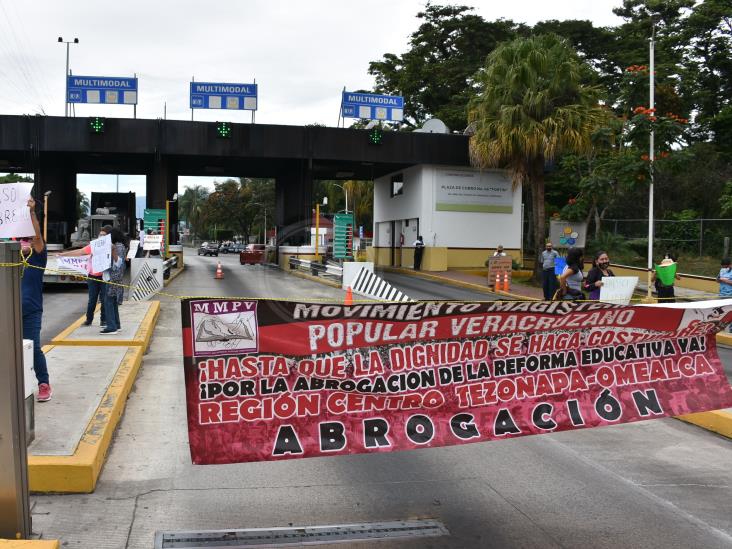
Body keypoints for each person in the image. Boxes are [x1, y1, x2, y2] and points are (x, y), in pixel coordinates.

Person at [20, 197, 52, 402]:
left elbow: (39, 236)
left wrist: (31, 213)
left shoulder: (38, 256)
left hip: (31, 310)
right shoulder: (8, 258)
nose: (26, 243)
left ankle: (43, 383)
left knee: (34, 347)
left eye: (29, 240)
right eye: (23, 240)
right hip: (7, 310)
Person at [58, 224, 113, 326]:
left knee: (104, 300)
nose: (101, 236)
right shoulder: (94, 246)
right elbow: (80, 252)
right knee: (92, 300)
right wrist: (64, 254)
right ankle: (89, 319)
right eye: (100, 235)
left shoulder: (110, 247)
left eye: (104, 235)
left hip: (104, 277)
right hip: (92, 276)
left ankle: (103, 320)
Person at [101, 228, 127, 334]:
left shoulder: (117, 247)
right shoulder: (120, 246)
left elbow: (118, 263)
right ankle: (116, 324)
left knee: (108, 301)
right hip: (115, 277)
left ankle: (111, 326)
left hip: (113, 277)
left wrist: (112, 251)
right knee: (112, 301)